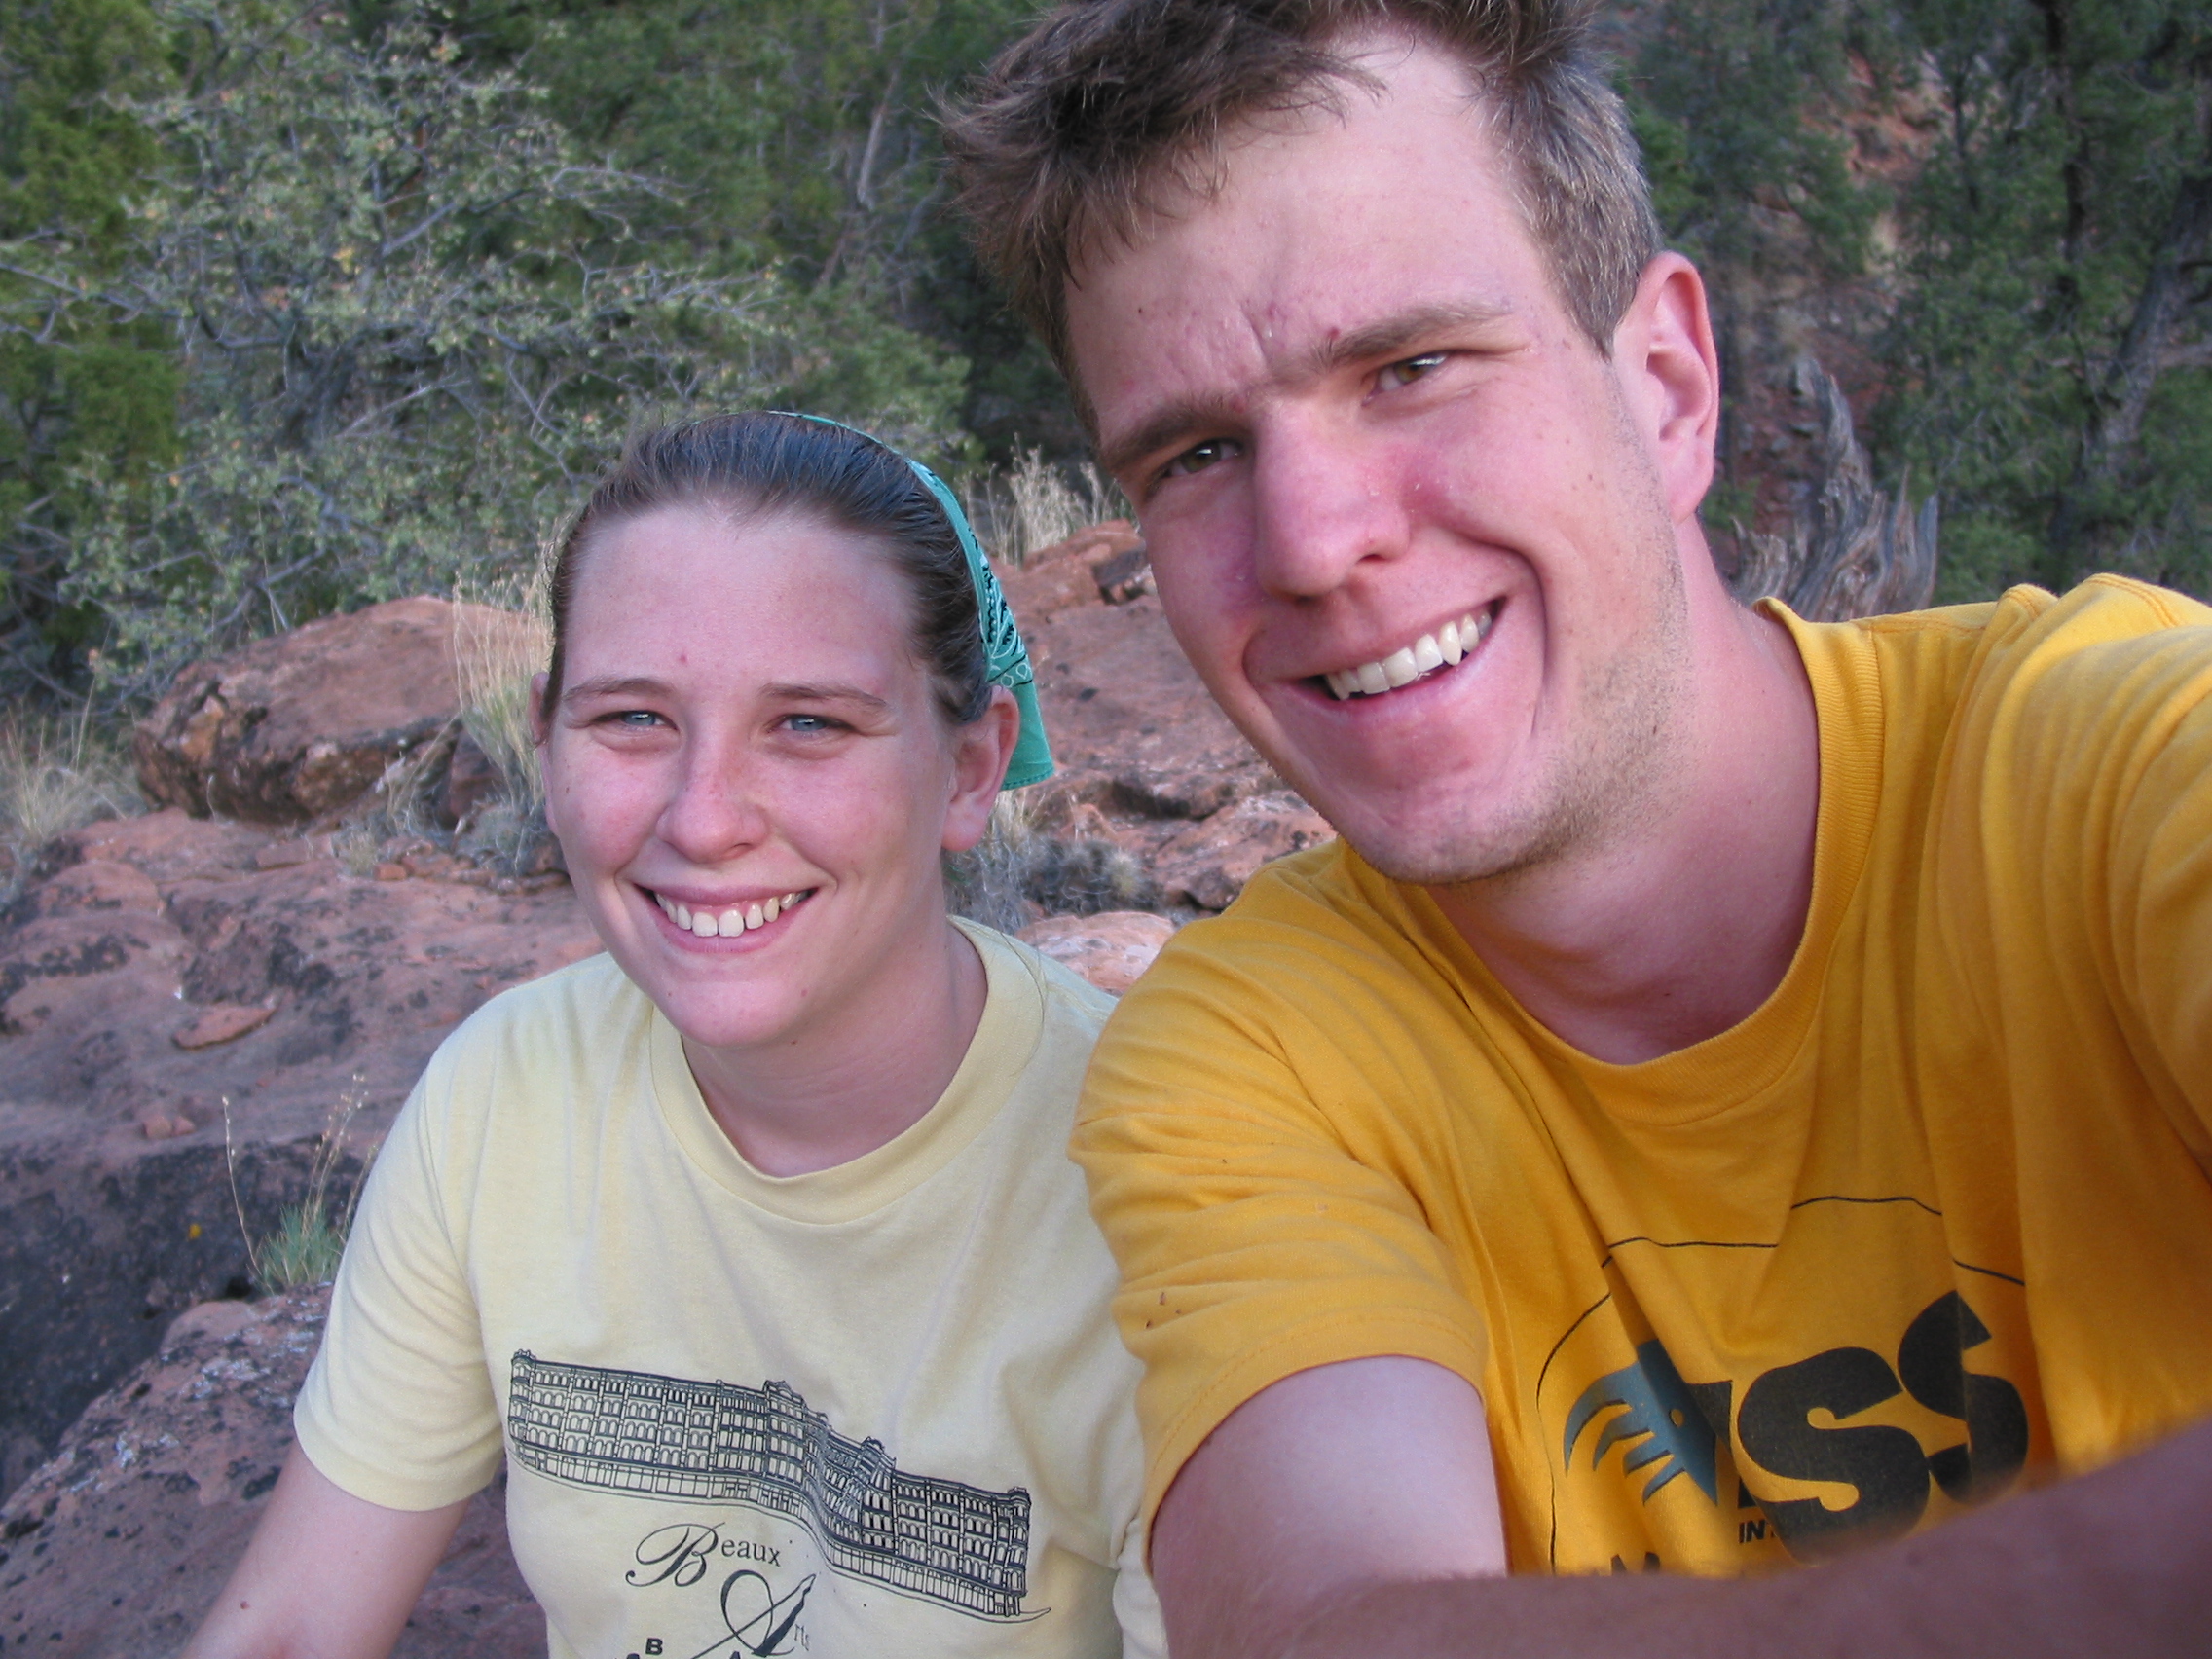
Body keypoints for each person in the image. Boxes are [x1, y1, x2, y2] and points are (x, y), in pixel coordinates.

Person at [942, 1, 2212, 1653]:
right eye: (1197, 452)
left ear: (1669, 384)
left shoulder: (2105, 762)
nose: (1314, 543)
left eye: (1409, 367)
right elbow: (1323, 1623)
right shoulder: (1260, 1049)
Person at [184, 412, 1166, 1659]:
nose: (703, 820)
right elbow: (295, 1630)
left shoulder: (1150, 1191)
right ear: (542, 741)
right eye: (634, 720)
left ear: (970, 768)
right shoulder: (506, 1094)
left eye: (809, 722)